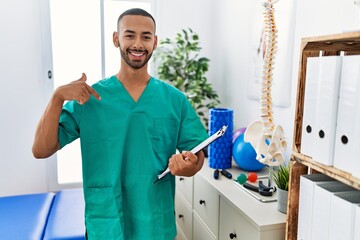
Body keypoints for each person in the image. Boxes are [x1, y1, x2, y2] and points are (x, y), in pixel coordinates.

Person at [32, 8, 208, 240]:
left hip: (155, 224)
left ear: (155, 42)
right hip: (107, 223)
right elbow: (41, 150)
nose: (138, 44)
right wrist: (57, 98)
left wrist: (189, 166)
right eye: (129, 35)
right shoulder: (91, 99)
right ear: (116, 39)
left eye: (146, 36)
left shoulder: (174, 100)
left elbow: (197, 155)